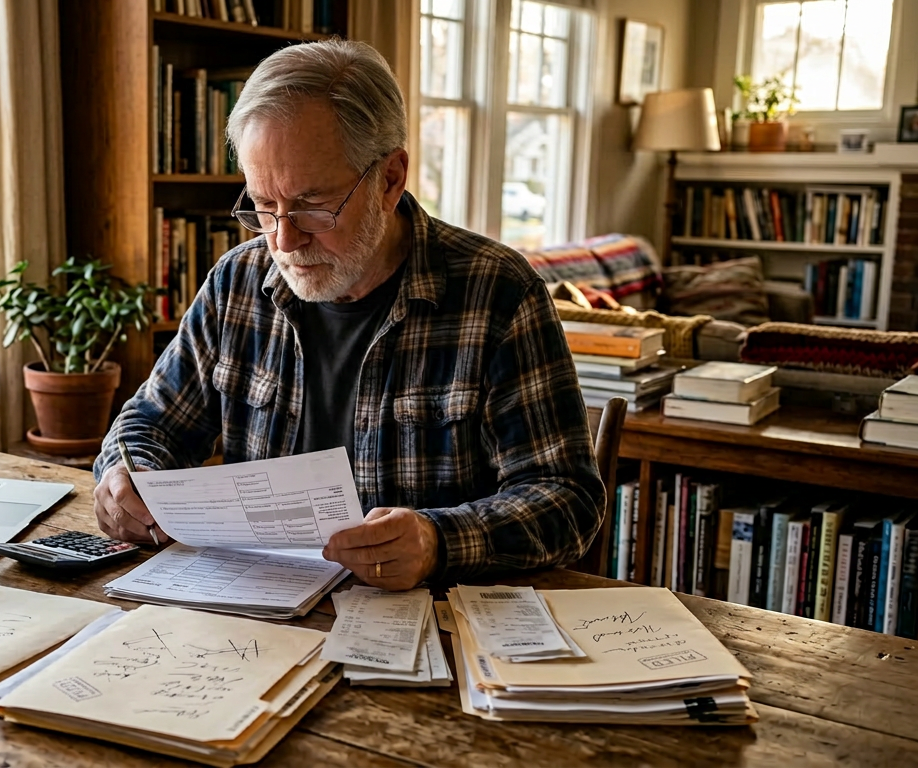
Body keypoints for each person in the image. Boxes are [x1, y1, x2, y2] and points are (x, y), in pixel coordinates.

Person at [92, 39, 603, 590]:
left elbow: (566, 501)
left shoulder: (499, 293)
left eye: (313, 205)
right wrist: (129, 475)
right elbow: (149, 423)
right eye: (263, 205)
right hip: (256, 607)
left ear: (389, 179)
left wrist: (437, 541)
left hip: (432, 624)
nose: (283, 239)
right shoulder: (237, 282)